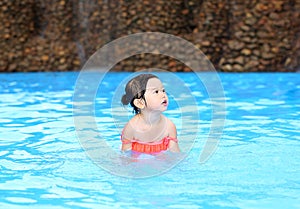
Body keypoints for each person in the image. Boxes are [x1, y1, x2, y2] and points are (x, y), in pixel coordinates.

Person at [121, 73, 180, 154]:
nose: (163, 95)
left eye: (163, 90)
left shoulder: (169, 126)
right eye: (156, 92)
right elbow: (125, 157)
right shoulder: (131, 128)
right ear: (140, 103)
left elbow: (175, 154)